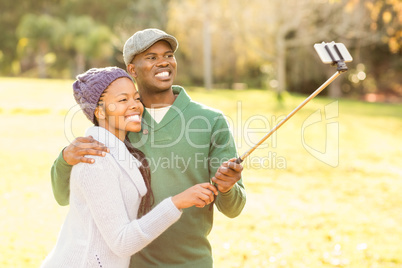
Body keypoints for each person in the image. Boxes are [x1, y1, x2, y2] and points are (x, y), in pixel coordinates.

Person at [51, 29, 246, 267]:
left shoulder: (211, 121)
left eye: (169, 55)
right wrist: (65, 159)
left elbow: (234, 208)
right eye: (151, 57)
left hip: (192, 262)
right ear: (132, 69)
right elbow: (65, 196)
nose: (163, 61)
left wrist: (227, 188)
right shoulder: (122, 120)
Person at [42, 67, 218, 267]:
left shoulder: (120, 152)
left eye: (136, 98)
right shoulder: (95, 160)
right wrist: (177, 202)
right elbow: (122, 242)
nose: (135, 105)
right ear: (99, 111)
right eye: (123, 100)